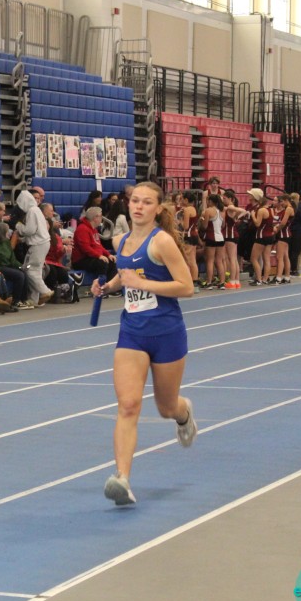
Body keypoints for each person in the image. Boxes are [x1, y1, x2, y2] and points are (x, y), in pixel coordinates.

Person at [91, 182, 196, 506]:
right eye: (135, 201)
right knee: (128, 405)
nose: (138, 206)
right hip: (132, 333)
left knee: (166, 407)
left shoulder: (162, 242)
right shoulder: (120, 240)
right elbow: (125, 274)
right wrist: (107, 287)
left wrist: (143, 283)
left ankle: (184, 414)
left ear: (157, 209)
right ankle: (121, 479)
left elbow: (187, 286)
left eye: (146, 202)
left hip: (166, 332)